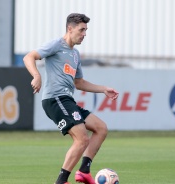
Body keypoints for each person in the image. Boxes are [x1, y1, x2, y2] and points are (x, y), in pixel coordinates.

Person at [23, 13, 119, 184]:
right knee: (82, 138)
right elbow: (29, 57)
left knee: (101, 128)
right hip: (55, 99)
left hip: (67, 100)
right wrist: (36, 75)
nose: (84, 34)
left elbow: (79, 83)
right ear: (70, 28)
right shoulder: (56, 45)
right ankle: (61, 181)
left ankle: (83, 171)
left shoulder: (75, 55)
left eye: (86, 30)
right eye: (82, 30)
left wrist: (103, 89)